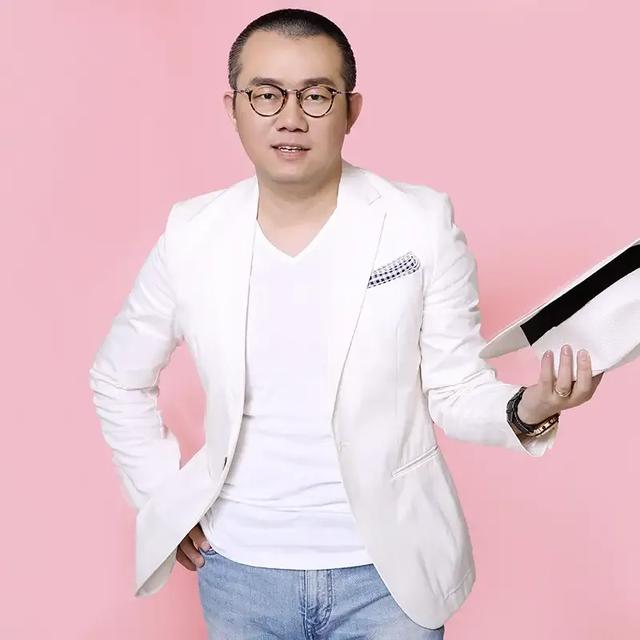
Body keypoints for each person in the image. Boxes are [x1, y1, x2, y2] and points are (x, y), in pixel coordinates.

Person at [89, 8, 603, 639]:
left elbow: (454, 387)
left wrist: (530, 408)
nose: (290, 117)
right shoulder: (192, 234)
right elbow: (117, 376)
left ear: (351, 110)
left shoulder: (418, 222)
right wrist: (161, 498)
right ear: (233, 108)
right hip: (240, 573)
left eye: (316, 95)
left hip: (389, 578)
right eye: (266, 94)